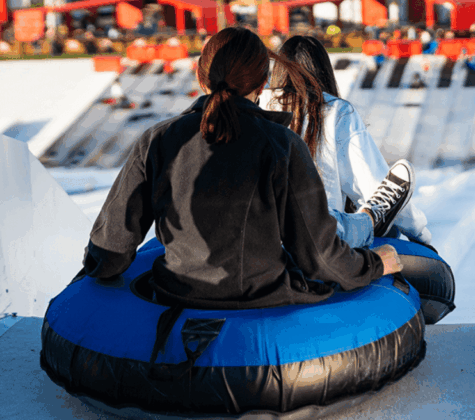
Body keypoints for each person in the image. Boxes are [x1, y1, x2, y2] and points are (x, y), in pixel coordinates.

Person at [82, 27, 403, 310]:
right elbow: (319, 257)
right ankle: (372, 218)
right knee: (340, 227)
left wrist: (88, 283)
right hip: (266, 303)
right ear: (263, 84)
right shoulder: (283, 144)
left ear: (199, 75)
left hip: (177, 296)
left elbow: (110, 251)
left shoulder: (157, 139)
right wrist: (374, 264)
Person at [269, 35, 432, 249]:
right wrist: (420, 233)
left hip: (264, 245)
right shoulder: (335, 111)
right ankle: (365, 223)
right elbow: (377, 188)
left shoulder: (255, 107)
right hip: (321, 246)